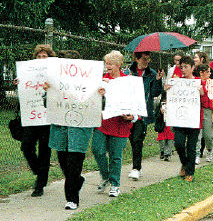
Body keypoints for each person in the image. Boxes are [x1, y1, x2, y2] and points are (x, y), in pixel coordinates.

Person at [43, 50, 103, 210]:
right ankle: (77, 180)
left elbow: (95, 105)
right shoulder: (54, 82)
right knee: (64, 163)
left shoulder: (88, 81)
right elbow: (46, 105)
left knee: (74, 163)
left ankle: (72, 199)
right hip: (60, 129)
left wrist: (100, 94)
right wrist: (47, 92)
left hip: (79, 130)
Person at [91, 50, 137, 197]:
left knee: (115, 156)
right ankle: (106, 176)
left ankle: (115, 184)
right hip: (103, 123)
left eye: (111, 63)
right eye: (106, 63)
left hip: (120, 125)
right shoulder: (101, 81)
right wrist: (98, 94)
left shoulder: (128, 80)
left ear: (119, 64)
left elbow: (136, 103)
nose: (108, 66)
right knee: (97, 150)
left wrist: (132, 116)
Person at [15, 44, 56, 197]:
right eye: (38, 56)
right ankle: (39, 170)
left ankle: (40, 185)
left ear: (50, 58)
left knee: (45, 151)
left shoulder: (55, 73)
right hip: (32, 115)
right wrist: (18, 84)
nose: (41, 59)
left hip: (47, 118)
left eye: (44, 56)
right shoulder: (28, 72)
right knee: (26, 146)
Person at [124, 51, 163, 181]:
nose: (146, 62)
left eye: (148, 59)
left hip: (142, 113)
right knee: (130, 139)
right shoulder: (127, 72)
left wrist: (158, 80)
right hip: (128, 112)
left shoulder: (151, 74)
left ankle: (136, 168)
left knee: (137, 140)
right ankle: (134, 165)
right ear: (136, 58)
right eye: (144, 59)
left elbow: (155, 93)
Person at [165, 56, 203, 182]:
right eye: (182, 67)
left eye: (186, 67)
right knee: (179, 144)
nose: (183, 70)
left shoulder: (198, 81)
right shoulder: (177, 82)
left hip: (193, 120)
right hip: (179, 120)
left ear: (193, 67)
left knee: (191, 147)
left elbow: (206, 100)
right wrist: (167, 90)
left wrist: (201, 92)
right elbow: (171, 98)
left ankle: (190, 172)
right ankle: (185, 163)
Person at [197, 64, 213, 162]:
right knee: (197, 134)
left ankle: (209, 150)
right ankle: (196, 154)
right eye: (208, 71)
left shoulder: (212, 83)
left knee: (208, 135)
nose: (210, 73)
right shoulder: (196, 82)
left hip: (208, 110)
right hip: (198, 110)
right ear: (201, 72)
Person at [154, 93, 174, 161]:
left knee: (170, 138)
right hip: (162, 124)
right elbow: (156, 114)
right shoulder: (159, 103)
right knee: (161, 138)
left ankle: (167, 154)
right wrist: (160, 112)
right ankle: (162, 151)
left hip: (170, 123)